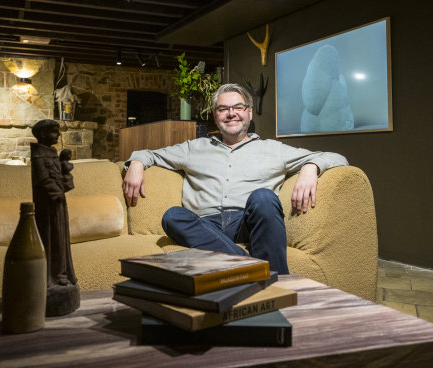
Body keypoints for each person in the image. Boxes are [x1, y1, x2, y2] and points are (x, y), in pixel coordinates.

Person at [122, 83, 348, 274]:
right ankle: (261, 272)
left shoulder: (274, 150)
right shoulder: (193, 148)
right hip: (205, 225)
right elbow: (150, 154)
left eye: (238, 107)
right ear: (215, 115)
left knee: (263, 197)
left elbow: (337, 158)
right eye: (223, 109)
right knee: (172, 216)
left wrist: (311, 166)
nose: (231, 113)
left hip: (248, 224)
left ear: (249, 112)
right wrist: (136, 163)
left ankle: (257, 273)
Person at [30, 120, 77, 287]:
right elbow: (43, 179)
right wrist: (58, 191)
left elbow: (58, 177)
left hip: (58, 204)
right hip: (48, 205)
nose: (58, 135)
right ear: (42, 134)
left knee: (60, 238)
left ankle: (61, 272)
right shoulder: (38, 155)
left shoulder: (51, 152)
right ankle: (50, 275)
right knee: (50, 237)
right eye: (54, 131)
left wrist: (65, 173)